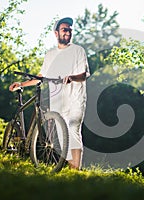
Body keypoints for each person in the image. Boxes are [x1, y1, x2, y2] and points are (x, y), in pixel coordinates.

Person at [9, 17, 90, 170]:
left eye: (70, 30)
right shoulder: (50, 55)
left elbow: (85, 74)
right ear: (56, 33)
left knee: (73, 130)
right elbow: (40, 77)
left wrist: (72, 77)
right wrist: (21, 84)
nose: (68, 32)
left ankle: (75, 171)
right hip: (58, 99)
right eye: (64, 29)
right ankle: (70, 168)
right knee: (62, 135)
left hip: (75, 98)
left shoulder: (78, 50)